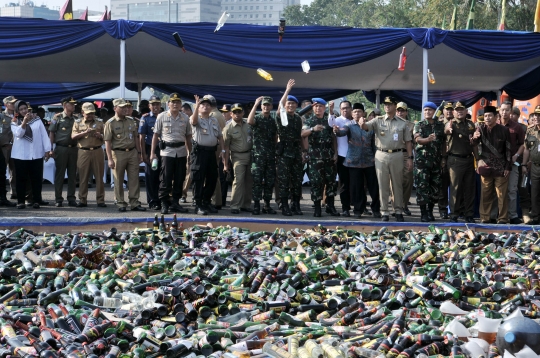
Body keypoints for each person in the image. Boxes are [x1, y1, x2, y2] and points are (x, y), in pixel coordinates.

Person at [359, 96, 413, 222]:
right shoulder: (378, 120)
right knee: (383, 185)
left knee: (397, 184)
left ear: (395, 106)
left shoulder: (402, 123)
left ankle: (398, 210)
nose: (387, 106)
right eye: (385, 104)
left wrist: (410, 158)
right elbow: (366, 127)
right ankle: (385, 212)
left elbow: (408, 142)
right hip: (381, 154)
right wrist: (362, 123)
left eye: (390, 104)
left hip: (397, 154)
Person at [334, 103, 380, 218]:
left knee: (373, 186)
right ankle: (358, 210)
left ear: (363, 113)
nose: (356, 113)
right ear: (352, 113)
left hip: (370, 160)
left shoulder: (369, 125)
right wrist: (336, 131)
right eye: (354, 112)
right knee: (356, 187)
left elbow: (374, 143)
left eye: (359, 111)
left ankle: (376, 209)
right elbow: (341, 132)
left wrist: (376, 156)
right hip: (353, 162)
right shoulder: (348, 125)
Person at [150, 93, 191, 215]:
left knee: (180, 178)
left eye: (177, 102)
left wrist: (190, 153)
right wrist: (152, 153)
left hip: (181, 151)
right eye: (173, 102)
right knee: (165, 178)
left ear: (180, 105)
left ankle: (175, 202)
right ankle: (164, 202)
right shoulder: (162, 116)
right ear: (168, 104)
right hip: (167, 151)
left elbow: (188, 137)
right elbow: (155, 135)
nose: (175, 104)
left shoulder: (185, 117)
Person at [104, 98, 146, 212]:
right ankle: (121, 203)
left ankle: (134, 202)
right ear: (115, 108)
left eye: (126, 107)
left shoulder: (131, 120)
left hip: (132, 152)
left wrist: (139, 152)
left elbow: (136, 137)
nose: (125, 109)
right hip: (118, 153)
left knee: (134, 178)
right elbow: (107, 142)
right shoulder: (110, 123)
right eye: (121, 107)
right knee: (118, 179)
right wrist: (109, 159)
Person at [472, 105, 511, 224]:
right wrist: (474, 138)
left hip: (500, 167)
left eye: (490, 116)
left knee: (501, 195)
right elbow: (473, 144)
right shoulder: (480, 128)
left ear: (496, 117)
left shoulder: (504, 130)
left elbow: (508, 149)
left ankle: (503, 218)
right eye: (485, 116)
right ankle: (485, 217)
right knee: (485, 194)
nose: (487, 118)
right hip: (485, 166)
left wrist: (508, 166)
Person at [301, 98, 339, 217]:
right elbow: (302, 134)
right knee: (317, 182)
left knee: (331, 182)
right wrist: (313, 129)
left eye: (320, 106)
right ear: (313, 108)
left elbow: (334, 137)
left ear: (324, 108)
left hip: (328, 154)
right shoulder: (309, 120)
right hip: (315, 156)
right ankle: (317, 208)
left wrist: (336, 152)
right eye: (316, 106)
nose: (318, 108)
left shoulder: (329, 119)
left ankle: (330, 206)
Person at [10, 100, 51, 209]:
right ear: (18, 111)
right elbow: (19, 134)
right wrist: (24, 122)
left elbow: (43, 135)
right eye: (21, 109)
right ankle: (20, 201)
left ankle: (36, 200)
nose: (24, 111)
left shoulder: (37, 119)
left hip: (36, 153)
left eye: (25, 108)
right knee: (21, 179)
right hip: (20, 155)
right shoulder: (14, 121)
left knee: (36, 178)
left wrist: (47, 150)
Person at [189, 95, 225, 215]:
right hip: (199, 153)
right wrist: (196, 106)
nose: (205, 106)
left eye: (208, 105)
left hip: (211, 152)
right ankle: (198, 204)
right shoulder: (196, 118)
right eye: (203, 105)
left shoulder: (214, 120)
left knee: (212, 178)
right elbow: (193, 122)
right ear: (198, 107)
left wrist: (223, 150)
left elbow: (220, 136)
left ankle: (206, 202)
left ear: (211, 108)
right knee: (198, 178)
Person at [413, 102, 446, 222]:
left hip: (436, 161)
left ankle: (430, 211)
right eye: (425, 110)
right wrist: (428, 139)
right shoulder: (419, 125)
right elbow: (418, 140)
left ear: (434, 111)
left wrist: (443, 158)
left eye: (430, 110)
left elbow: (443, 143)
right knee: (422, 187)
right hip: (422, 162)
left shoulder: (440, 126)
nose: (427, 112)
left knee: (435, 187)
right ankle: (423, 213)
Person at [444, 101, 477, 223]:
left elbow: (474, 144)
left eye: (462, 109)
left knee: (469, 188)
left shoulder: (470, 124)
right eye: (457, 109)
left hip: (469, 159)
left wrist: (477, 159)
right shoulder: (451, 123)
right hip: (455, 160)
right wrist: (448, 130)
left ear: (466, 111)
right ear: (454, 112)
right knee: (455, 189)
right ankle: (454, 214)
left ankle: (468, 214)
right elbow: (447, 130)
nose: (460, 111)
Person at [276, 79, 303, 216]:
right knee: (284, 180)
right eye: (289, 103)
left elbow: (300, 136)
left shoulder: (298, 118)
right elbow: (280, 105)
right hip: (285, 152)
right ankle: (284, 205)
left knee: (297, 180)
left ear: (296, 105)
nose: (291, 105)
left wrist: (303, 151)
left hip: (296, 151)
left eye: (293, 103)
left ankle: (296, 204)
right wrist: (287, 91)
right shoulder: (283, 116)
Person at [71, 102, 106, 208]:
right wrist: (84, 133)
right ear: (82, 112)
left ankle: (100, 200)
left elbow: (108, 137)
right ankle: (82, 200)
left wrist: (100, 135)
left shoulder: (100, 122)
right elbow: (73, 136)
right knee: (83, 176)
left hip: (97, 150)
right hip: (83, 151)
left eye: (92, 113)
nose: (90, 115)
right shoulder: (77, 122)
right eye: (88, 113)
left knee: (99, 177)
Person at [247, 96, 277, 215]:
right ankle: (256, 205)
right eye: (264, 105)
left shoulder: (272, 120)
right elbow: (249, 121)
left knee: (270, 181)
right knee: (257, 181)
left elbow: (275, 137)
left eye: (268, 105)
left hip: (270, 155)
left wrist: (275, 150)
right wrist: (255, 105)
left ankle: (267, 205)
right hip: (258, 155)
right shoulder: (258, 118)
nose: (266, 106)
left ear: (271, 107)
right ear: (261, 106)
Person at [222, 103, 253, 214]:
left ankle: (246, 204)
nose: (237, 114)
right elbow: (225, 148)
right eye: (234, 112)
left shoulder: (248, 124)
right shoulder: (228, 128)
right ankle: (235, 205)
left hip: (250, 154)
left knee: (249, 181)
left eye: (239, 111)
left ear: (243, 113)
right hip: (237, 156)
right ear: (231, 114)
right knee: (238, 181)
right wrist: (225, 164)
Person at [49, 97, 79, 207]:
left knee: (72, 174)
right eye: (71, 104)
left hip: (74, 148)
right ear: (65, 105)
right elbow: (52, 133)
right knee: (60, 174)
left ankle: (71, 198)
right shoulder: (57, 117)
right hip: (61, 148)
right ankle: (58, 199)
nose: (74, 106)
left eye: (74, 104)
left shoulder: (76, 118)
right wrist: (50, 149)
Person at [499, 101, 525, 224]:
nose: (504, 112)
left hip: (512, 163)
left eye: (507, 110)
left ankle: (513, 215)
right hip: (497, 163)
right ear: (499, 110)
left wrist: (517, 155)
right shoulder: (494, 124)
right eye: (503, 110)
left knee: (512, 189)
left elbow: (522, 145)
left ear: (511, 112)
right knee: (497, 190)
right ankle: (496, 215)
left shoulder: (517, 127)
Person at [139, 95, 162, 210]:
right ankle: (153, 201)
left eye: (157, 104)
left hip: (164, 149)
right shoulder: (145, 118)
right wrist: (143, 154)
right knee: (151, 176)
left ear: (160, 105)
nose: (155, 106)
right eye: (153, 104)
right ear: (149, 106)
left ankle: (162, 199)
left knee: (163, 176)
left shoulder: (165, 117)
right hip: (150, 149)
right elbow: (142, 138)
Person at [206, 94, 227, 211]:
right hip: (219, 146)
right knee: (216, 174)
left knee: (212, 175)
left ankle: (215, 200)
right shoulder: (220, 115)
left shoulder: (213, 115)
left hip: (214, 147)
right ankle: (217, 200)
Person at [334, 100, 353, 216]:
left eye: (347, 108)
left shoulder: (356, 120)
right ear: (340, 110)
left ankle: (358, 206)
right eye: (343, 108)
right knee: (344, 184)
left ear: (351, 108)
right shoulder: (337, 121)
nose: (345, 110)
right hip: (342, 155)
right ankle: (345, 207)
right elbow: (334, 137)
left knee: (357, 183)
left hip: (357, 157)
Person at [395, 102, 414, 216]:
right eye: (398, 110)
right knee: (395, 182)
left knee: (408, 181)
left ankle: (404, 205)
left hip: (406, 154)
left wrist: (411, 157)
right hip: (394, 153)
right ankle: (395, 207)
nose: (400, 113)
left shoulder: (411, 125)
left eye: (402, 111)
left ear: (406, 112)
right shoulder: (390, 123)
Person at [522, 106, 540, 224]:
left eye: (539, 116)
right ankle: (536, 216)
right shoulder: (530, 130)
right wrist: (524, 164)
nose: (537, 118)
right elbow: (526, 149)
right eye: (536, 115)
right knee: (535, 192)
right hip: (535, 166)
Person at [437, 101, 454, 219]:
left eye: (451, 109)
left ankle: (455, 210)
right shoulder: (438, 124)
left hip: (455, 157)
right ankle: (443, 209)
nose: (449, 111)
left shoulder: (457, 123)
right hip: (442, 158)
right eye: (446, 109)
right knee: (442, 186)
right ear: (443, 111)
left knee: (455, 186)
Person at [0, 96, 17, 200]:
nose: (14, 104)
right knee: (2, 171)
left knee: (15, 170)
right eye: (12, 103)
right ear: (6, 105)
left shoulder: (19, 115)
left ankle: (14, 192)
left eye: (15, 102)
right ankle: (2, 195)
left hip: (16, 147)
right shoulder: (1, 116)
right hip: (4, 147)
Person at [217, 104, 232, 205]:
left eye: (225, 112)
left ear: (231, 113)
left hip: (231, 154)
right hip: (222, 152)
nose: (223, 114)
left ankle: (224, 200)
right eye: (222, 112)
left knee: (227, 178)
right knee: (222, 177)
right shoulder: (223, 123)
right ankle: (222, 200)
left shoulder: (231, 124)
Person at [181, 103, 193, 203]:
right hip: (187, 150)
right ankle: (183, 194)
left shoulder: (192, 119)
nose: (182, 113)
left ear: (188, 111)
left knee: (191, 174)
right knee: (187, 174)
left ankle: (193, 195)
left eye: (183, 111)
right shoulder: (185, 120)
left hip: (196, 150)